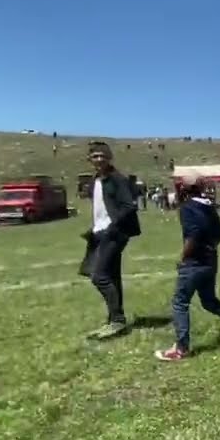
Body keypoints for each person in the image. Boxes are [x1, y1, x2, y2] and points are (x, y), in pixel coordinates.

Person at [155, 172, 220, 361]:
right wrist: (210, 246)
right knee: (209, 301)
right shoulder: (209, 206)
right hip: (210, 260)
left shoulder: (188, 207)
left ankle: (181, 348)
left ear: (184, 188)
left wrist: (184, 257)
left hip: (194, 262)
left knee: (180, 303)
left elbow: (193, 235)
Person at [79, 141, 142, 340]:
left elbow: (129, 206)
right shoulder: (96, 180)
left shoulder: (117, 179)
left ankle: (117, 320)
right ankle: (115, 320)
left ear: (109, 158)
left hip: (114, 233)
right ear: (89, 159)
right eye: (95, 156)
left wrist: (112, 226)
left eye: (102, 156)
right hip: (99, 232)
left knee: (100, 276)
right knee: (112, 276)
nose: (99, 159)